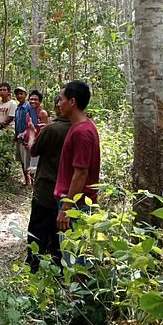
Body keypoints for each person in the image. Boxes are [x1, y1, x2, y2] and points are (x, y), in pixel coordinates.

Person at [54, 80, 100, 267]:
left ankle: (76, 296)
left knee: (75, 260)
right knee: (75, 257)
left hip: (77, 206)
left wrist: (66, 209)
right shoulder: (81, 127)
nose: (58, 104)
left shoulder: (82, 132)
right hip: (76, 204)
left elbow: (81, 173)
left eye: (61, 99)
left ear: (72, 102)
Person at [25, 95, 71, 272]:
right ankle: (57, 268)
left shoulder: (52, 129)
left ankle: (34, 266)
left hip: (46, 188)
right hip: (69, 192)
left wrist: (31, 132)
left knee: (37, 230)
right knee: (58, 232)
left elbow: (34, 150)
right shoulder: (81, 128)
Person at [25, 90, 50, 168]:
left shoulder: (42, 113)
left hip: (39, 145)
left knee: (35, 168)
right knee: (29, 168)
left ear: (40, 101)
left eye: (35, 99)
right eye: (31, 99)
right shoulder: (28, 113)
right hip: (29, 143)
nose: (33, 101)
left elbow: (45, 130)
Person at [14, 86, 32, 186]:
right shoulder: (17, 108)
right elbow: (17, 123)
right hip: (19, 138)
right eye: (17, 94)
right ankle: (27, 181)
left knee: (30, 160)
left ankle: (33, 183)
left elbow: (33, 122)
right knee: (22, 160)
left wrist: (27, 134)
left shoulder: (29, 107)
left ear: (25, 95)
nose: (19, 96)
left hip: (28, 139)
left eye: (21, 93)